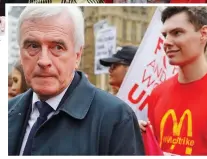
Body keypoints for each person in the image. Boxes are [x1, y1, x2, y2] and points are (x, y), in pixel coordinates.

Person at [8, 6, 145, 156]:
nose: (43, 61)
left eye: (58, 47)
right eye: (33, 46)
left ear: (77, 56)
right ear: (20, 53)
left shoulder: (116, 118)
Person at [139, 6, 207, 155]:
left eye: (177, 33)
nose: (166, 42)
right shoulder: (157, 93)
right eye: (165, 35)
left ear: (203, 34)